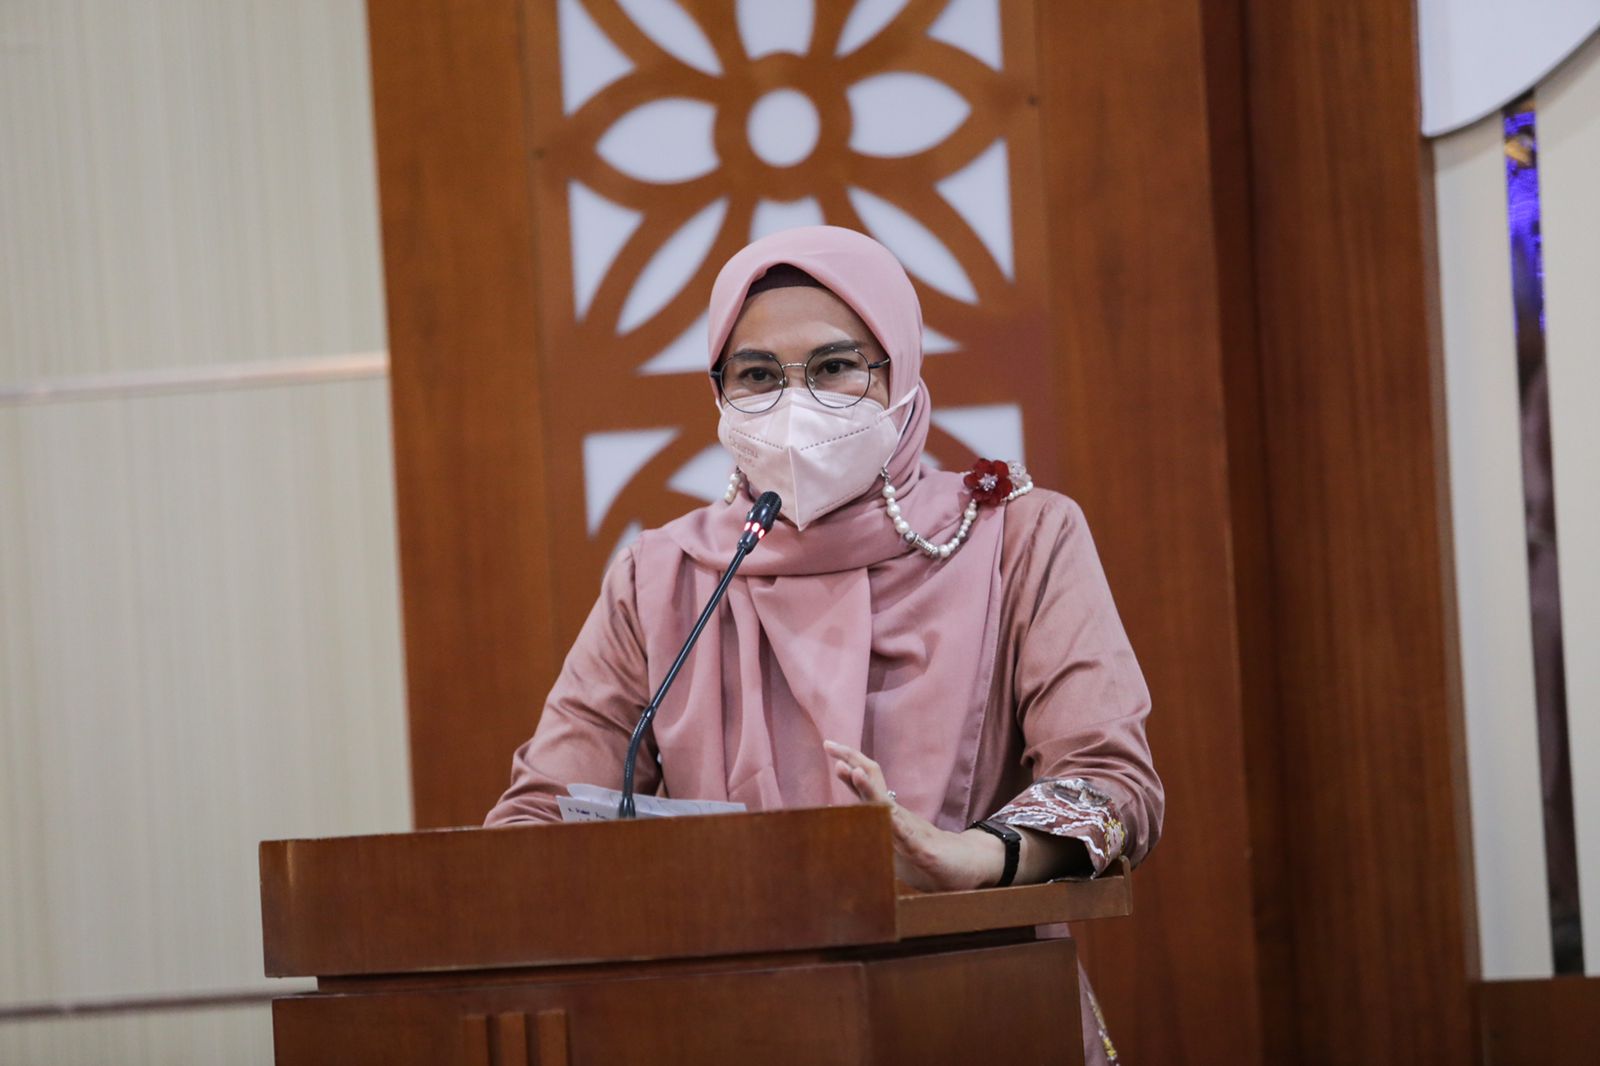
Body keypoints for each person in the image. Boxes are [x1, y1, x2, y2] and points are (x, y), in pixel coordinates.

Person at [487, 226, 1162, 1064]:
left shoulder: (1018, 538)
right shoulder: (663, 576)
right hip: (723, 1026)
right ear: (719, 391)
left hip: (977, 1008)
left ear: (899, 372)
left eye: (836, 367)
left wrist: (969, 857)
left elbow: (1112, 785)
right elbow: (537, 821)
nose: (795, 403)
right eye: (757, 375)